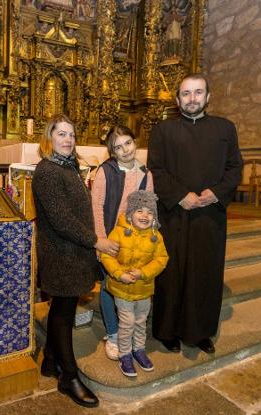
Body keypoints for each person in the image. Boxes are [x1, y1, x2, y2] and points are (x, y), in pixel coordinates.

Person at [148, 73, 243, 355]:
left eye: (198, 93)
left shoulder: (225, 128)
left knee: (205, 273)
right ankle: (167, 331)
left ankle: (201, 331)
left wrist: (216, 193)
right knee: (172, 273)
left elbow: (235, 168)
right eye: (186, 94)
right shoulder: (163, 130)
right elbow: (156, 169)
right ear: (178, 100)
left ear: (208, 97)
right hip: (174, 215)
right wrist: (180, 196)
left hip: (209, 215)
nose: (192, 99)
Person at [32, 114, 118, 408]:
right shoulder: (47, 171)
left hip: (73, 251)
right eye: (61, 134)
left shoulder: (67, 167)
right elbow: (61, 220)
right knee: (63, 313)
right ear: (49, 138)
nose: (68, 139)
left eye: (71, 134)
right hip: (61, 252)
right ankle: (68, 377)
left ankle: (50, 361)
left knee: (62, 306)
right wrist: (97, 242)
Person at [90, 125, 154, 361]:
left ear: (134, 143)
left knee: (131, 284)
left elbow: (148, 208)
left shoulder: (146, 174)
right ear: (112, 152)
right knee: (110, 284)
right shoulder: (105, 171)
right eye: (118, 147)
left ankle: (133, 334)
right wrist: (101, 240)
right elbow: (96, 206)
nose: (125, 149)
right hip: (110, 238)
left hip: (134, 240)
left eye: (128, 143)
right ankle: (114, 334)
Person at [101, 190, 168, 377]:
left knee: (140, 321)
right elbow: (107, 255)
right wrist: (119, 274)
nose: (144, 216)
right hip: (122, 289)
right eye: (140, 211)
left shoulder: (156, 237)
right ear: (130, 214)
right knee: (127, 322)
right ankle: (125, 354)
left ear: (154, 217)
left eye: (149, 212)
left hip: (144, 290)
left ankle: (139, 349)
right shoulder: (119, 232)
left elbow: (161, 259)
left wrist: (144, 273)